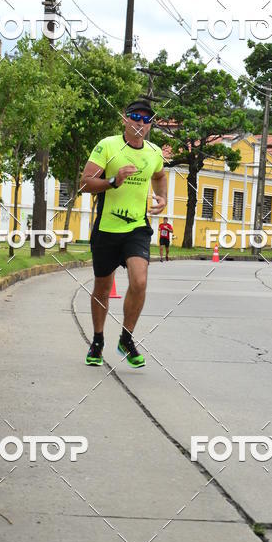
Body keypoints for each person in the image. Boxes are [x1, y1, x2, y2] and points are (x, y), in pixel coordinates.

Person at [80, 100, 167, 368]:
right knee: (103, 288)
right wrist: (113, 181)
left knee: (139, 281)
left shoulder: (154, 152)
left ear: (150, 124)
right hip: (107, 228)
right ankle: (97, 341)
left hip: (137, 228)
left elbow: (159, 176)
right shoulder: (108, 146)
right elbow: (84, 183)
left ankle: (126, 339)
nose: (141, 123)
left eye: (146, 119)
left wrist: (162, 197)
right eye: (135, 117)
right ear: (124, 119)